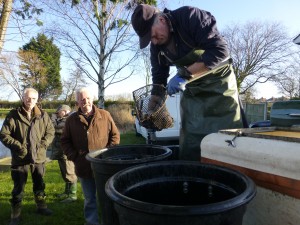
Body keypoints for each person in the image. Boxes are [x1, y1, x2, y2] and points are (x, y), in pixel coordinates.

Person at [131, 4, 244, 161]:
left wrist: (185, 75)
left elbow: (220, 50)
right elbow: (158, 80)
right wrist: (151, 111)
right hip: (193, 94)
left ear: (161, 19)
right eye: (151, 40)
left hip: (221, 89)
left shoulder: (189, 17)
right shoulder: (157, 48)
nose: (154, 42)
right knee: (191, 146)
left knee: (227, 143)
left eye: (154, 36)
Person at [61, 87, 120, 225]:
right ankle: (92, 222)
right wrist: (74, 156)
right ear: (77, 102)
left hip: (104, 166)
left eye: (87, 98)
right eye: (82, 99)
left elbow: (115, 136)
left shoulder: (104, 115)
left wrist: (109, 154)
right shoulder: (71, 120)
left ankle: (110, 221)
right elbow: (64, 140)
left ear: (92, 99)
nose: (85, 102)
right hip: (83, 166)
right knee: (89, 199)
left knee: (107, 198)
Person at [0, 88, 55, 225]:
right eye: (28, 98)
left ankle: (41, 207)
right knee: (19, 187)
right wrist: (19, 146)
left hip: (39, 157)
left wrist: (43, 145)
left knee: (39, 183)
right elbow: (4, 135)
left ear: (37, 100)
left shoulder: (43, 115)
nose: (30, 101)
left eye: (34, 99)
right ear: (23, 98)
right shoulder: (13, 115)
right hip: (20, 158)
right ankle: (15, 214)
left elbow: (50, 132)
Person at [50, 104, 78, 203]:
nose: (57, 114)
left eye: (59, 112)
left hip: (67, 151)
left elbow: (55, 128)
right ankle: (67, 192)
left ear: (65, 111)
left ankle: (73, 195)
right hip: (60, 150)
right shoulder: (62, 119)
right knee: (64, 171)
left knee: (69, 171)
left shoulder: (69, 120)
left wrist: (53, 118)